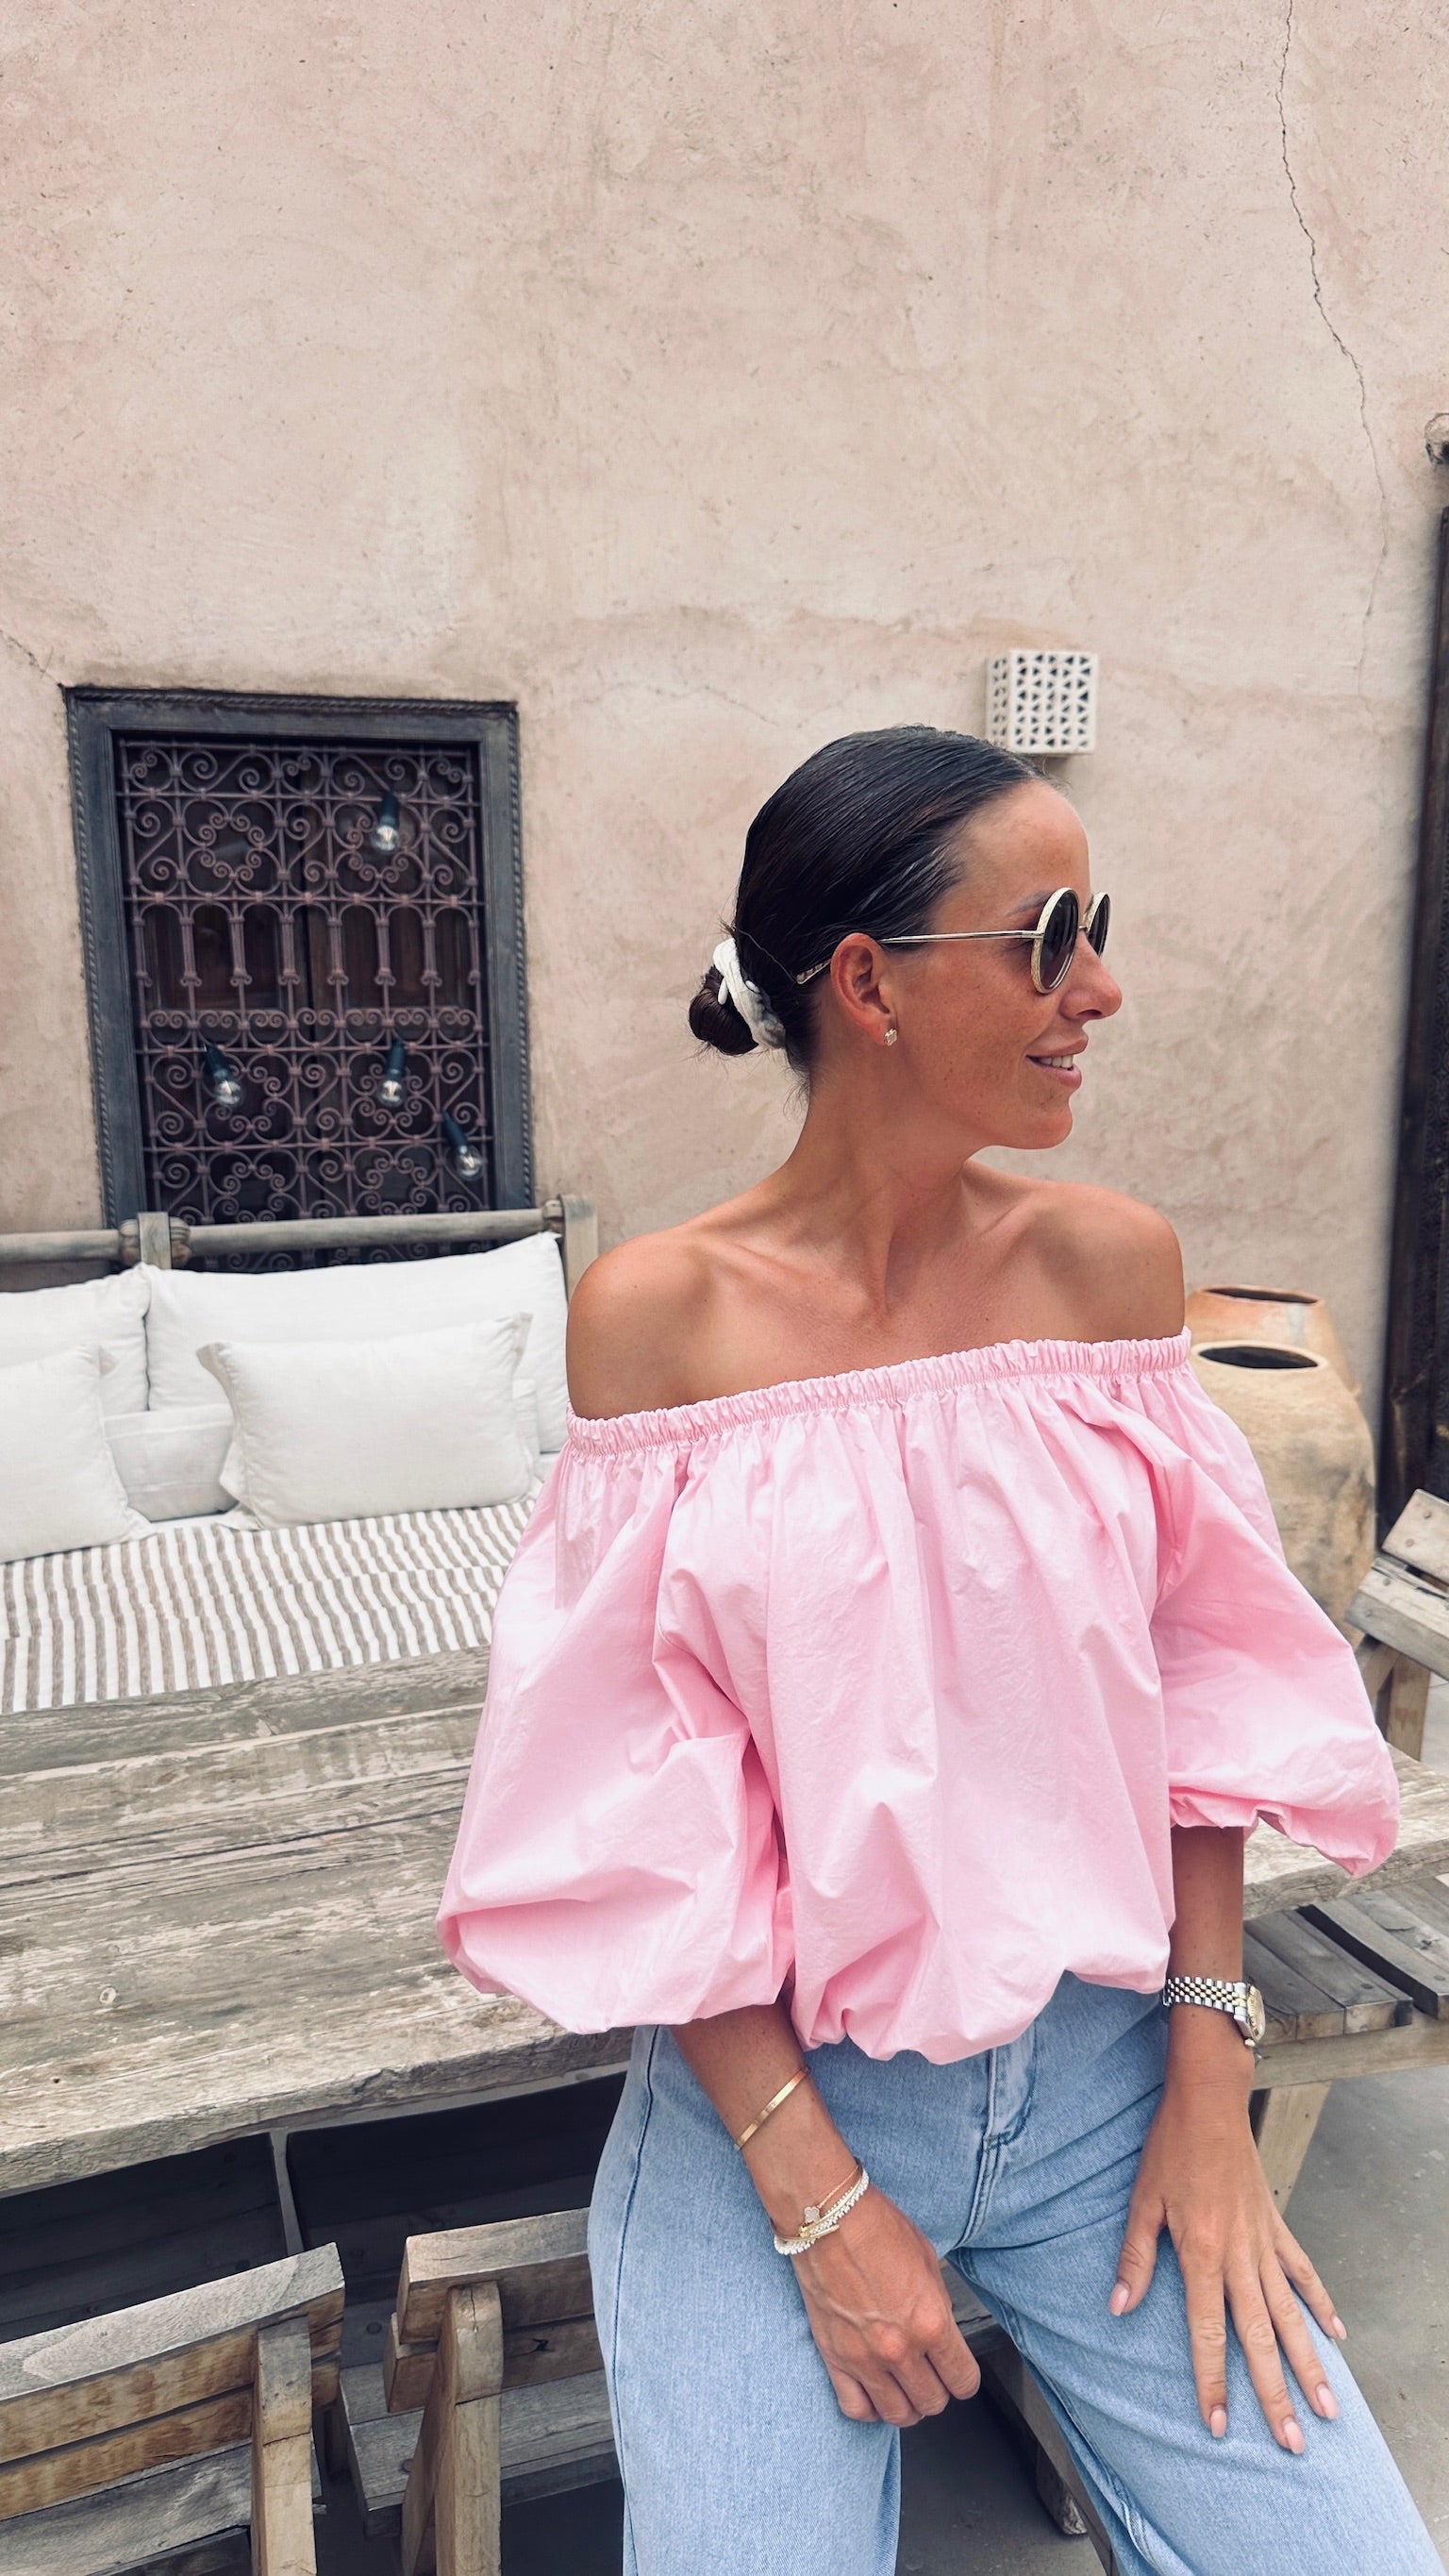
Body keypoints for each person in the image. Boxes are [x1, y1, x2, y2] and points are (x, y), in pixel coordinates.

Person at [439, 728, 1434, 2575]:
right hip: (777, 2115)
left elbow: (1198, 1692)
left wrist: (1210, 2085)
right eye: (1050, 938)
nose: (1100, 989)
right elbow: (655, 1820)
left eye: (1099, 931)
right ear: (869, 982)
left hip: (1115, 2088)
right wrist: (822, 2208)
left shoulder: (1109, 1275)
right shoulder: (658, 1322)